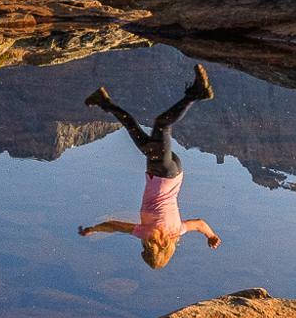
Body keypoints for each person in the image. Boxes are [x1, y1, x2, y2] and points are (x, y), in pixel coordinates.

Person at [78, 64, 221, 269]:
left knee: (133, 129)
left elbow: (199, 223)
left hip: (174, 172)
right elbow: (116, 226)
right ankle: (197, 94)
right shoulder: (146, 232)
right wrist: (93, 229)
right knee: (161, 123)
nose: (143, 247)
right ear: (151, 250)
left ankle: (104, 101)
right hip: (161, 171)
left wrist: (211, 235)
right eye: (145, 250)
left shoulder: (177, 231)